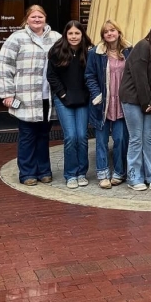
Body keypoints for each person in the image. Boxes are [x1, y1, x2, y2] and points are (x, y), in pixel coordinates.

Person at [0, 5, 61, 186]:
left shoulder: (56, 38)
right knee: (27, 135)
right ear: (27, 19)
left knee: (43, 135)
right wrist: (7, 94)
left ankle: (44, 170)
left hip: (47, 96)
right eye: (33, 17)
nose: (37, 20)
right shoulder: (16, 38)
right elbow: (4, 66)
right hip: (25, 96)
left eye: (40, 16)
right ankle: (27, 173)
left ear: (45, 18)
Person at [120, 20, 151, 191]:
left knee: (148, 138)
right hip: (133, 99)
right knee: (136, 138)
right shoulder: (142, 46)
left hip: (149, 102)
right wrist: (146, 103)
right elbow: (139, 78)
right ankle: (134, 177)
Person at [85, 19, 131, 188]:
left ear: (118, 32)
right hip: (102, 104)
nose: (110, 34)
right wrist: (96, 95)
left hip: (122, 103)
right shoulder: (95, 53)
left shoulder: (128, 51)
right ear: (103, 35)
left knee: (120, 139)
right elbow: (89, 76)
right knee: (101, 141)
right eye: (106, 32)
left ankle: (119, 172)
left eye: (112, 30)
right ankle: (103, 174)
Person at [47, 20, 92, 189]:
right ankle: (70, 174)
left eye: (77, 33)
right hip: (64, 100)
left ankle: (82, 173)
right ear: (66, 35)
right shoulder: (57, 52)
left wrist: (88, 94)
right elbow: (51, 76)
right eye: (70, 33)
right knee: (70, 137)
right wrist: (62, 94)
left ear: (82, 35)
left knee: (82, 136)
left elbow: (94, 75)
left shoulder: (89, 52)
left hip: (83, 101)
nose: (74, 37)